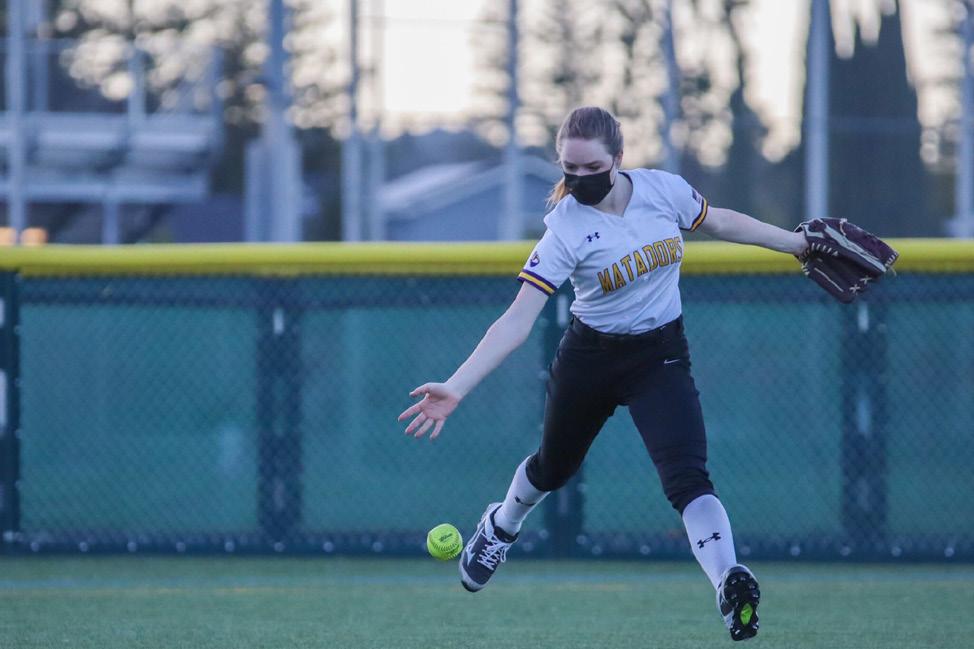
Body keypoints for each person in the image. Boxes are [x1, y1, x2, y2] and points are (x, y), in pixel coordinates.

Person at [397, 106, 808, 642]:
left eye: (592, 167)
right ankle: (500, 526)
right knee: (553, 469)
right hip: (590, 359)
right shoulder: (565, 229)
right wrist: (457, 386)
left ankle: (728, 585)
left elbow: (723, 222)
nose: (580, 178)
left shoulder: (662, 191)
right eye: (569, 168)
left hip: (660, 355)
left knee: (687, 477)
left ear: (618, 158)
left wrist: (798, 244)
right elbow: (517, 320)